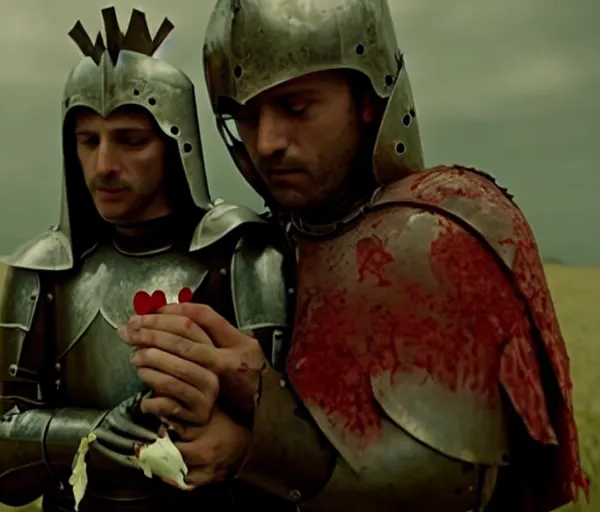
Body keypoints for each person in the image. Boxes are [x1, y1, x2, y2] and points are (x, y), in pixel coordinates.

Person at [117, 0, 591, 510]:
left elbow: (449, 487)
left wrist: (250, 432)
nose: (267, 142)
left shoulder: (433, 230)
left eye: (295, 108)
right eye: (246, 117)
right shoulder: (261, 243)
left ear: (367, 98)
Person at [0, 6, 297, 512]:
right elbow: (3, 464)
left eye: (130, 140)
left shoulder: (242, 252)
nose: (104, 165)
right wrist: (98, 432)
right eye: (89, 141)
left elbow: (290, 443)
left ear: (177, 143)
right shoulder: (46, 269)